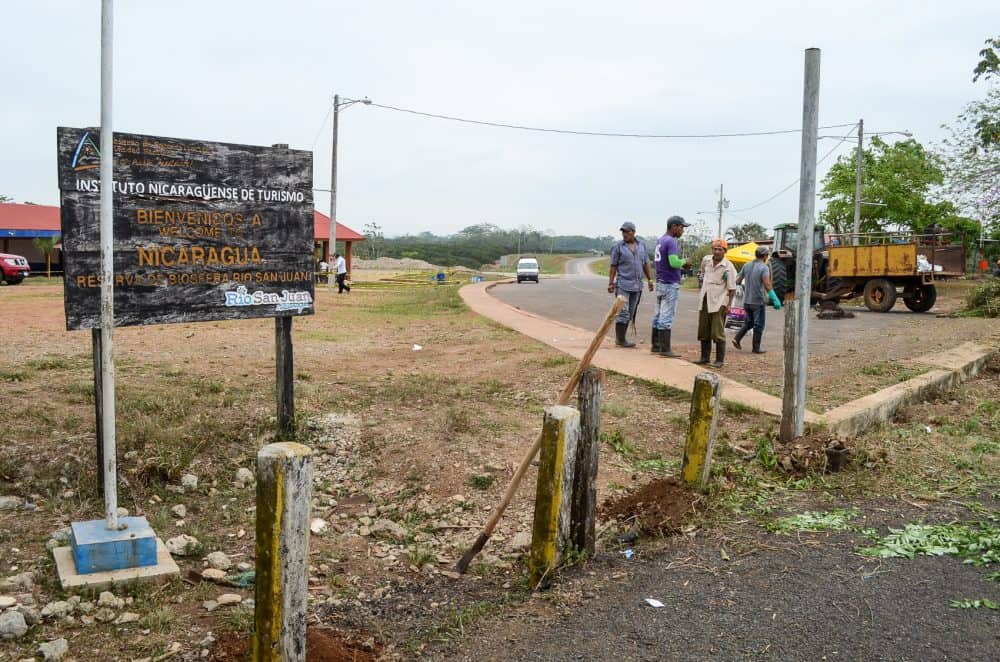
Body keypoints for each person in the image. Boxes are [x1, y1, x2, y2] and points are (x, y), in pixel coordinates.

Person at [608, 221, 654, 347]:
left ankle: (622, 338)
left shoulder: (642, 246)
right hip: (623, 284)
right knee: (623, 312)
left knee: (631, 312)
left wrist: (650, 279)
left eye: (626, 231)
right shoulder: (618, 247)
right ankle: (620, 340)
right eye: (623, 232)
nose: (624, 234)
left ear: (633, 232)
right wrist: (611, 283)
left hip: (637, 285)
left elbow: (645, 263)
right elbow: (613, 265)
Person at [651, 215, 691, 357]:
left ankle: (655, 345)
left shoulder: (661, 240)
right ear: (674, 226)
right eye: (682, 227)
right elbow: (674, 263)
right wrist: (685, 261)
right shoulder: (671, 241)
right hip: (669, 283)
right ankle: (665, 349)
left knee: (658, 314)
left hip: (661, 281)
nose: (683, 231)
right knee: (666, 316)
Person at [694, 239, 737, 368]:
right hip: (705, 299)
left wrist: (729, 305)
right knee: (703, 329)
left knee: (717, 332)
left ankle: (719, 360)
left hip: (719, 302)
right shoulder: (706, 260)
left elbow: (732, 288)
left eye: (720, 249)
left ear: (725, 251)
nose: (717, 251)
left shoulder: (728, 267)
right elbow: (702, 273)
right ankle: (704, 357)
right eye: (715, 249)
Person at [732, 245, 782, 354]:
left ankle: (737, 339)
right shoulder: (764, 268)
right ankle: (756, 348)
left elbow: (738, 281)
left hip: (747, 301)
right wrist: (775, 299)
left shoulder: (746, 265)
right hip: (758, 301)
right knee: (759, 325)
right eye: (767, 255)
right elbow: (767, 284)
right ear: (764, 256)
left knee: (749, 323)